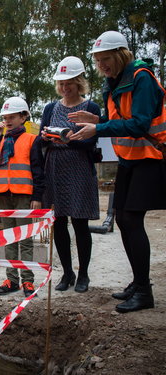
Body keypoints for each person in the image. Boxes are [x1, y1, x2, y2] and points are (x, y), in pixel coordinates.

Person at [69, 31, 166, 312]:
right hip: (129, 159)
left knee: (132, 220)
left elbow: (139, 124)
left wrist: (98, 128)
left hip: (150, 157)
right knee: (123, 220)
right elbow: (118, 120)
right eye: (98, 61)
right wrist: (97, 119)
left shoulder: (141, 78)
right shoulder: (114, 82)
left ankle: (145, 292)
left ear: (121, 54)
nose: (102, 66)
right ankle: (138, 283)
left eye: (106, 59)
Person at [40, 56, 101, 293]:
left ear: (79, 83)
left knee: (80, 223)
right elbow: (41, 140)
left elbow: (94, 142)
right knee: (59, 223)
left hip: (79, 169)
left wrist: (73, 140)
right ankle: (67, 272)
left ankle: (84, 274)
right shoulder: (50, 108)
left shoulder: (91, 108)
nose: (65, 88)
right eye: (62, 84)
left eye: (70, 84)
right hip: (55, 169)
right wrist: (44, 137)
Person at [0, 97, 44, 298]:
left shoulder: (32, 140)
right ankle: (12, 280)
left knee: (26, 240)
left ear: (23, 117)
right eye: (5, 117)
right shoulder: (0, 140)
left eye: (12, 117)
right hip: (4, 195)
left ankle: (28, 281)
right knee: (9, 239)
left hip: (23, 196)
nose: (8, 121)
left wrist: (37, 195)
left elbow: (38, 169)